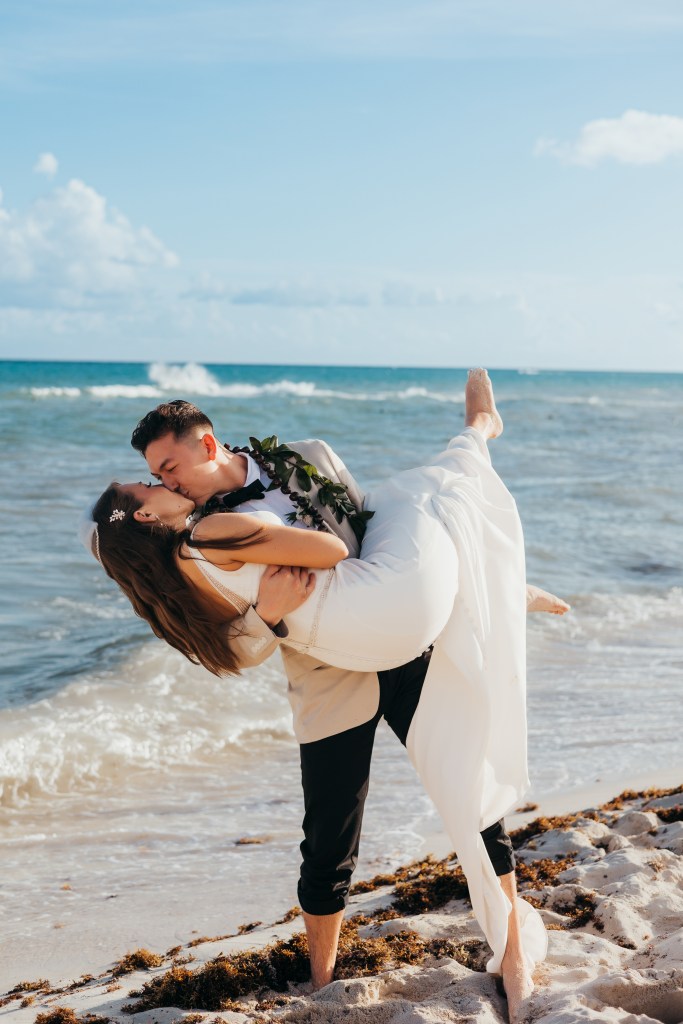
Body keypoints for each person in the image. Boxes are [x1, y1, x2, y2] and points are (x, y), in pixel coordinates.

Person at [82, 370, 568, 1022]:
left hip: (402, 645)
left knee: (470, 786)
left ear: (207, 444)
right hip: (327, 674)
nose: (166, 483)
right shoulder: (198, 540)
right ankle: (322, 977)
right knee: (330, 834)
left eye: (168, 468)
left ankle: (512, 951)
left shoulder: (307, 455)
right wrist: (270, 615)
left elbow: (375, 531)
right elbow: (238, 648)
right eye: (154, 477)